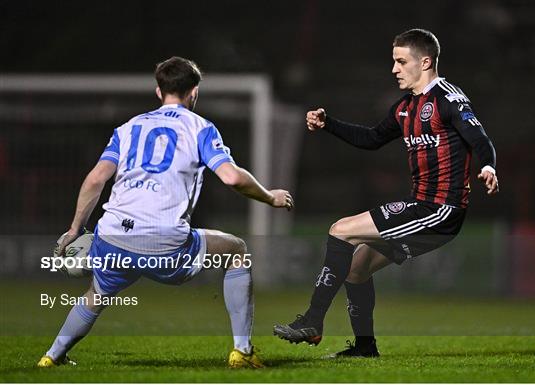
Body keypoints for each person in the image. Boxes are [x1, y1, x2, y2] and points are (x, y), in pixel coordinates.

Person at [37, 56, 293, 369]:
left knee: (98, 291)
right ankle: (242, 351)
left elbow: (95, 179)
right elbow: (232, 177)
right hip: (164, 241)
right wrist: (270, 198)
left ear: (159, 92)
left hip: (114, 234)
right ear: (194, 92)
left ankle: (51, 357)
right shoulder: (200, 129)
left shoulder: (128, 128)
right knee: (236, 251)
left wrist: (76, 229)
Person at [273, 28, 498, 357]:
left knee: (341, 230)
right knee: (356, 268)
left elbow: (479, 139)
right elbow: (372, 138)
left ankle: (312, 321)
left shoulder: (448, 98)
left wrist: (488, 167)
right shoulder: (405, 108)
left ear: (425, 62)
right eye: (393, 61)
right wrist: (329, 124)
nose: (394, 68)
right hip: (421, 206)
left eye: (400, 61)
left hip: (440, 209)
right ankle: (365, 348)